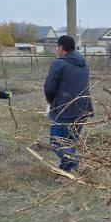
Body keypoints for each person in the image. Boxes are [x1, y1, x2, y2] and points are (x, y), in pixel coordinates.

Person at [43, 34, 92, 172]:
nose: (56, 49)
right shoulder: (84, 63)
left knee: (56, 143)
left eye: (57, 46)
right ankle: (66, 171)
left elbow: (49, 87)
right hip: (82, 109)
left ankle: (74, 163)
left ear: (61, 47)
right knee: (70, 142)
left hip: (64, 109)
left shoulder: (59, 63)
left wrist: (49, 100)